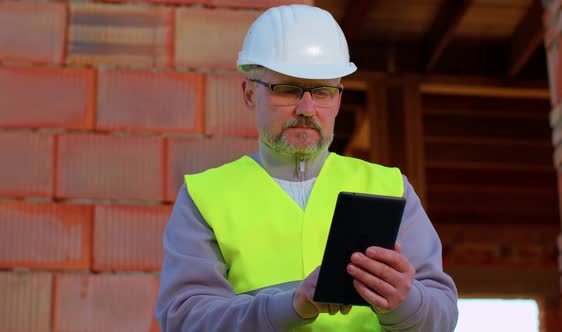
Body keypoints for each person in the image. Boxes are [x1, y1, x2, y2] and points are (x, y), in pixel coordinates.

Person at [155, 4, 458, 331]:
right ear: (249, 94)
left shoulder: (390, 188)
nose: (307, 108)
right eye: (286, 89)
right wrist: (291, 306)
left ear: (339, 99)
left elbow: (441, 316)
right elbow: (186, 321)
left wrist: (406, 302)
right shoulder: (206, 198)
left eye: (323, 92)